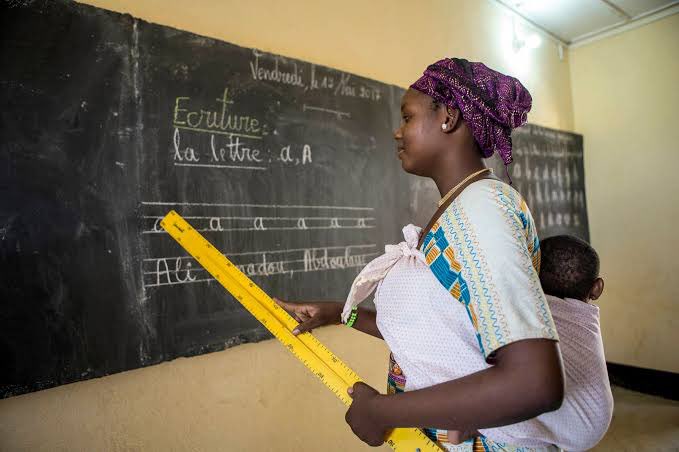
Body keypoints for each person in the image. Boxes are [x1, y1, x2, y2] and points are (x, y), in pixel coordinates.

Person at [276, 58, 564, 451]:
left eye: (407, 117)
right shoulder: (462, 206)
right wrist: (338, 313)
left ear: (448, 117)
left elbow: (534, 383)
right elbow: (447, 334)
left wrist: (381, 412)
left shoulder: (482, 211)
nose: (398, 132)